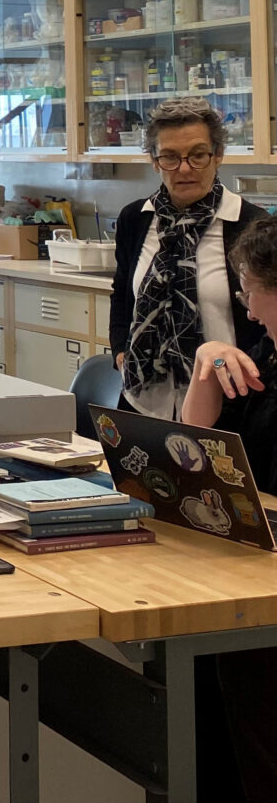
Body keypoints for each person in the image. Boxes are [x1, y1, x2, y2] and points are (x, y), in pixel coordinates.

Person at [181, 214, 277, 803]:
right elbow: (198, 437)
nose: (245, 303)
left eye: (249, 288)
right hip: (250, 555)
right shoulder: (265, 350)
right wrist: (204, 368)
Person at [110, 96, 263, 418]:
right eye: (169, 157)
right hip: (144, 398)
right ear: (154, 161)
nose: (184, 169)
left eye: (197, 156)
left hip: (229, 403)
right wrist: (121, 349)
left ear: (218, 155)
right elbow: (123, 293)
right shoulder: (135, 219)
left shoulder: (251, 226)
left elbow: (266, 322)